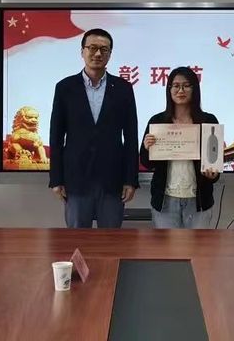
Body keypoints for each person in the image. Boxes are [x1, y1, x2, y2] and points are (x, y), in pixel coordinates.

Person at [49, 28, 139, 228]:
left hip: (112, 180)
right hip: (76, 179)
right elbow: (56, 136)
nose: (98, 54)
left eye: (104, 49)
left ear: (110, 54)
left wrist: (130, 180)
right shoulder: (65, 88)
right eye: (92, 48)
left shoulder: (123, 88)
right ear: (82, 51)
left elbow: (131, 137)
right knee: (78, 241)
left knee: (110, 242)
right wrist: (56, 178)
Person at [140, 66, 220, 229]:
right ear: (169, 90)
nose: (180, 90)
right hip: (165, 200)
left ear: (194, 89)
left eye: (186, 85)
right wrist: (148, 148)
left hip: (198, 201)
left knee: (199, 245)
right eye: (176, 86)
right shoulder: (157, 121)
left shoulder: (208, 121)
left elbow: (214, 165)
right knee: (167, 246)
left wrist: (212, 174)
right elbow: (146, 163)